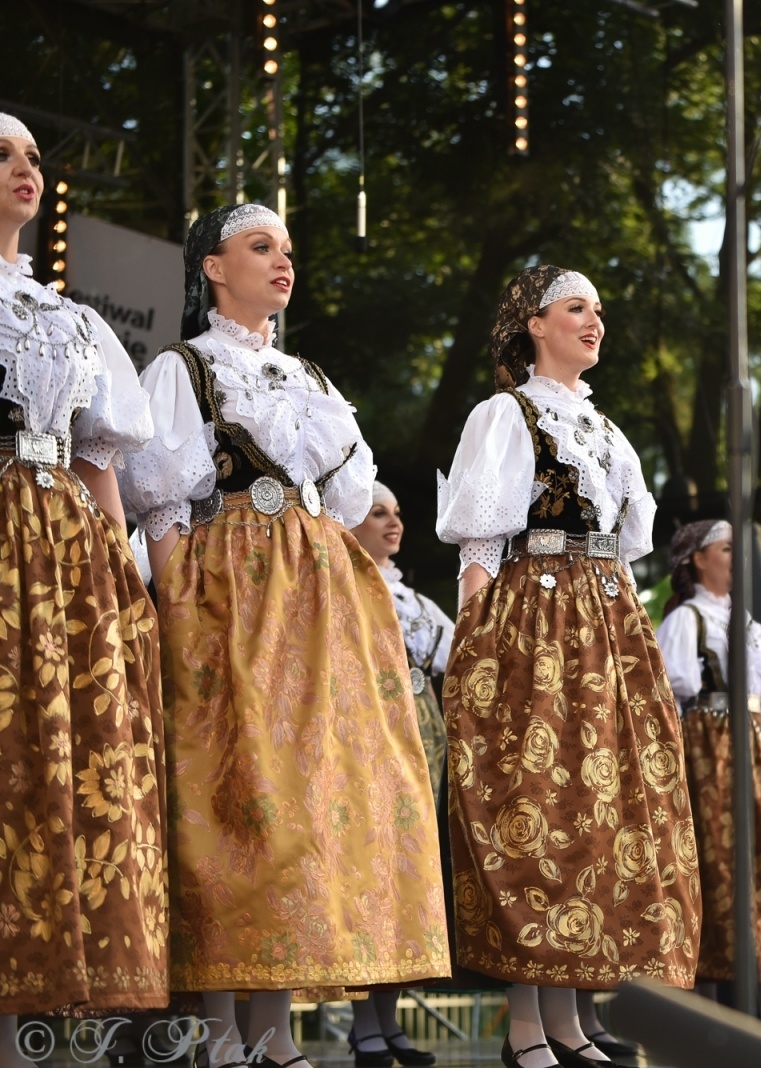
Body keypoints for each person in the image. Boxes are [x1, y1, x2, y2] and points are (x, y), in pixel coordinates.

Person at [122, 202, 449, 1068]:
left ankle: (275, 1029)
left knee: (298, 802)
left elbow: (347, 499)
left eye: (288, 251)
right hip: (226, 584)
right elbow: (158, 501)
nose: (282, 263)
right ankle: (222, 1029)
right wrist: (181, 603)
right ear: (213, 270)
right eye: (260, 248)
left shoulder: (310, 377)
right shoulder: (182, 368)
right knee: (233, 793)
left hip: (313, 594)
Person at [436, 264, 696, 1068]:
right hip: (537, 620)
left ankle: (572, 1020)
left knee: (596, 812)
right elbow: (481, 546)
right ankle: (525, 1028)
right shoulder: (506, 414)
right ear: (534, 325)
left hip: (607, 620)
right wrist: (476, 648)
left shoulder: (605, 430)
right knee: (538, 804)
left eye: (598, 310)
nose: (594, 322)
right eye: (576, 308)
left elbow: (628, 543)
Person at [0, 111, 166, 1055]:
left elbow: (100, 458)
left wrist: (126, 578)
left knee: (63, 754)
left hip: (64, 546)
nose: (27, 169)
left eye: (33, 155)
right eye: (2, 155)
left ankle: (42, 1006)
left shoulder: (72, 320)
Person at [655, 519, 761, 999]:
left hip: (756, 742)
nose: (736, 559)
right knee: (719, 855)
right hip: (710, 746)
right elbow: (673, 694)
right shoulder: (685, 620)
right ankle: (716, 975)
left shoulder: (747, 621)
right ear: (699, 559)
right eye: (725, 549)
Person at [346, 481, 450, 1068]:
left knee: (410, 871)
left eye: (398, 513)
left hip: (422, 734)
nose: (394, 523)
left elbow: (452, 654)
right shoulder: (347, 588)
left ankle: (390, 1020)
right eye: (378, 512)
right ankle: (365, 1025)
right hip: (369, 732)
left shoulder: (414, 602)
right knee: (370, 867)